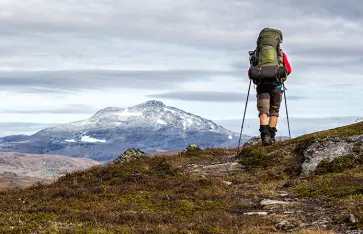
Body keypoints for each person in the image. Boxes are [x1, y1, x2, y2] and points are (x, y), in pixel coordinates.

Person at [248, 49, 292, 146]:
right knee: (274, 111)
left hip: (262, 87)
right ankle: (271, 137)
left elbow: (250, 73)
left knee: (263, 112)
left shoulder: (257, 54)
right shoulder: (281, 54)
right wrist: (281, 79)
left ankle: (265, 137)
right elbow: (288, 70)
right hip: (277, 86)